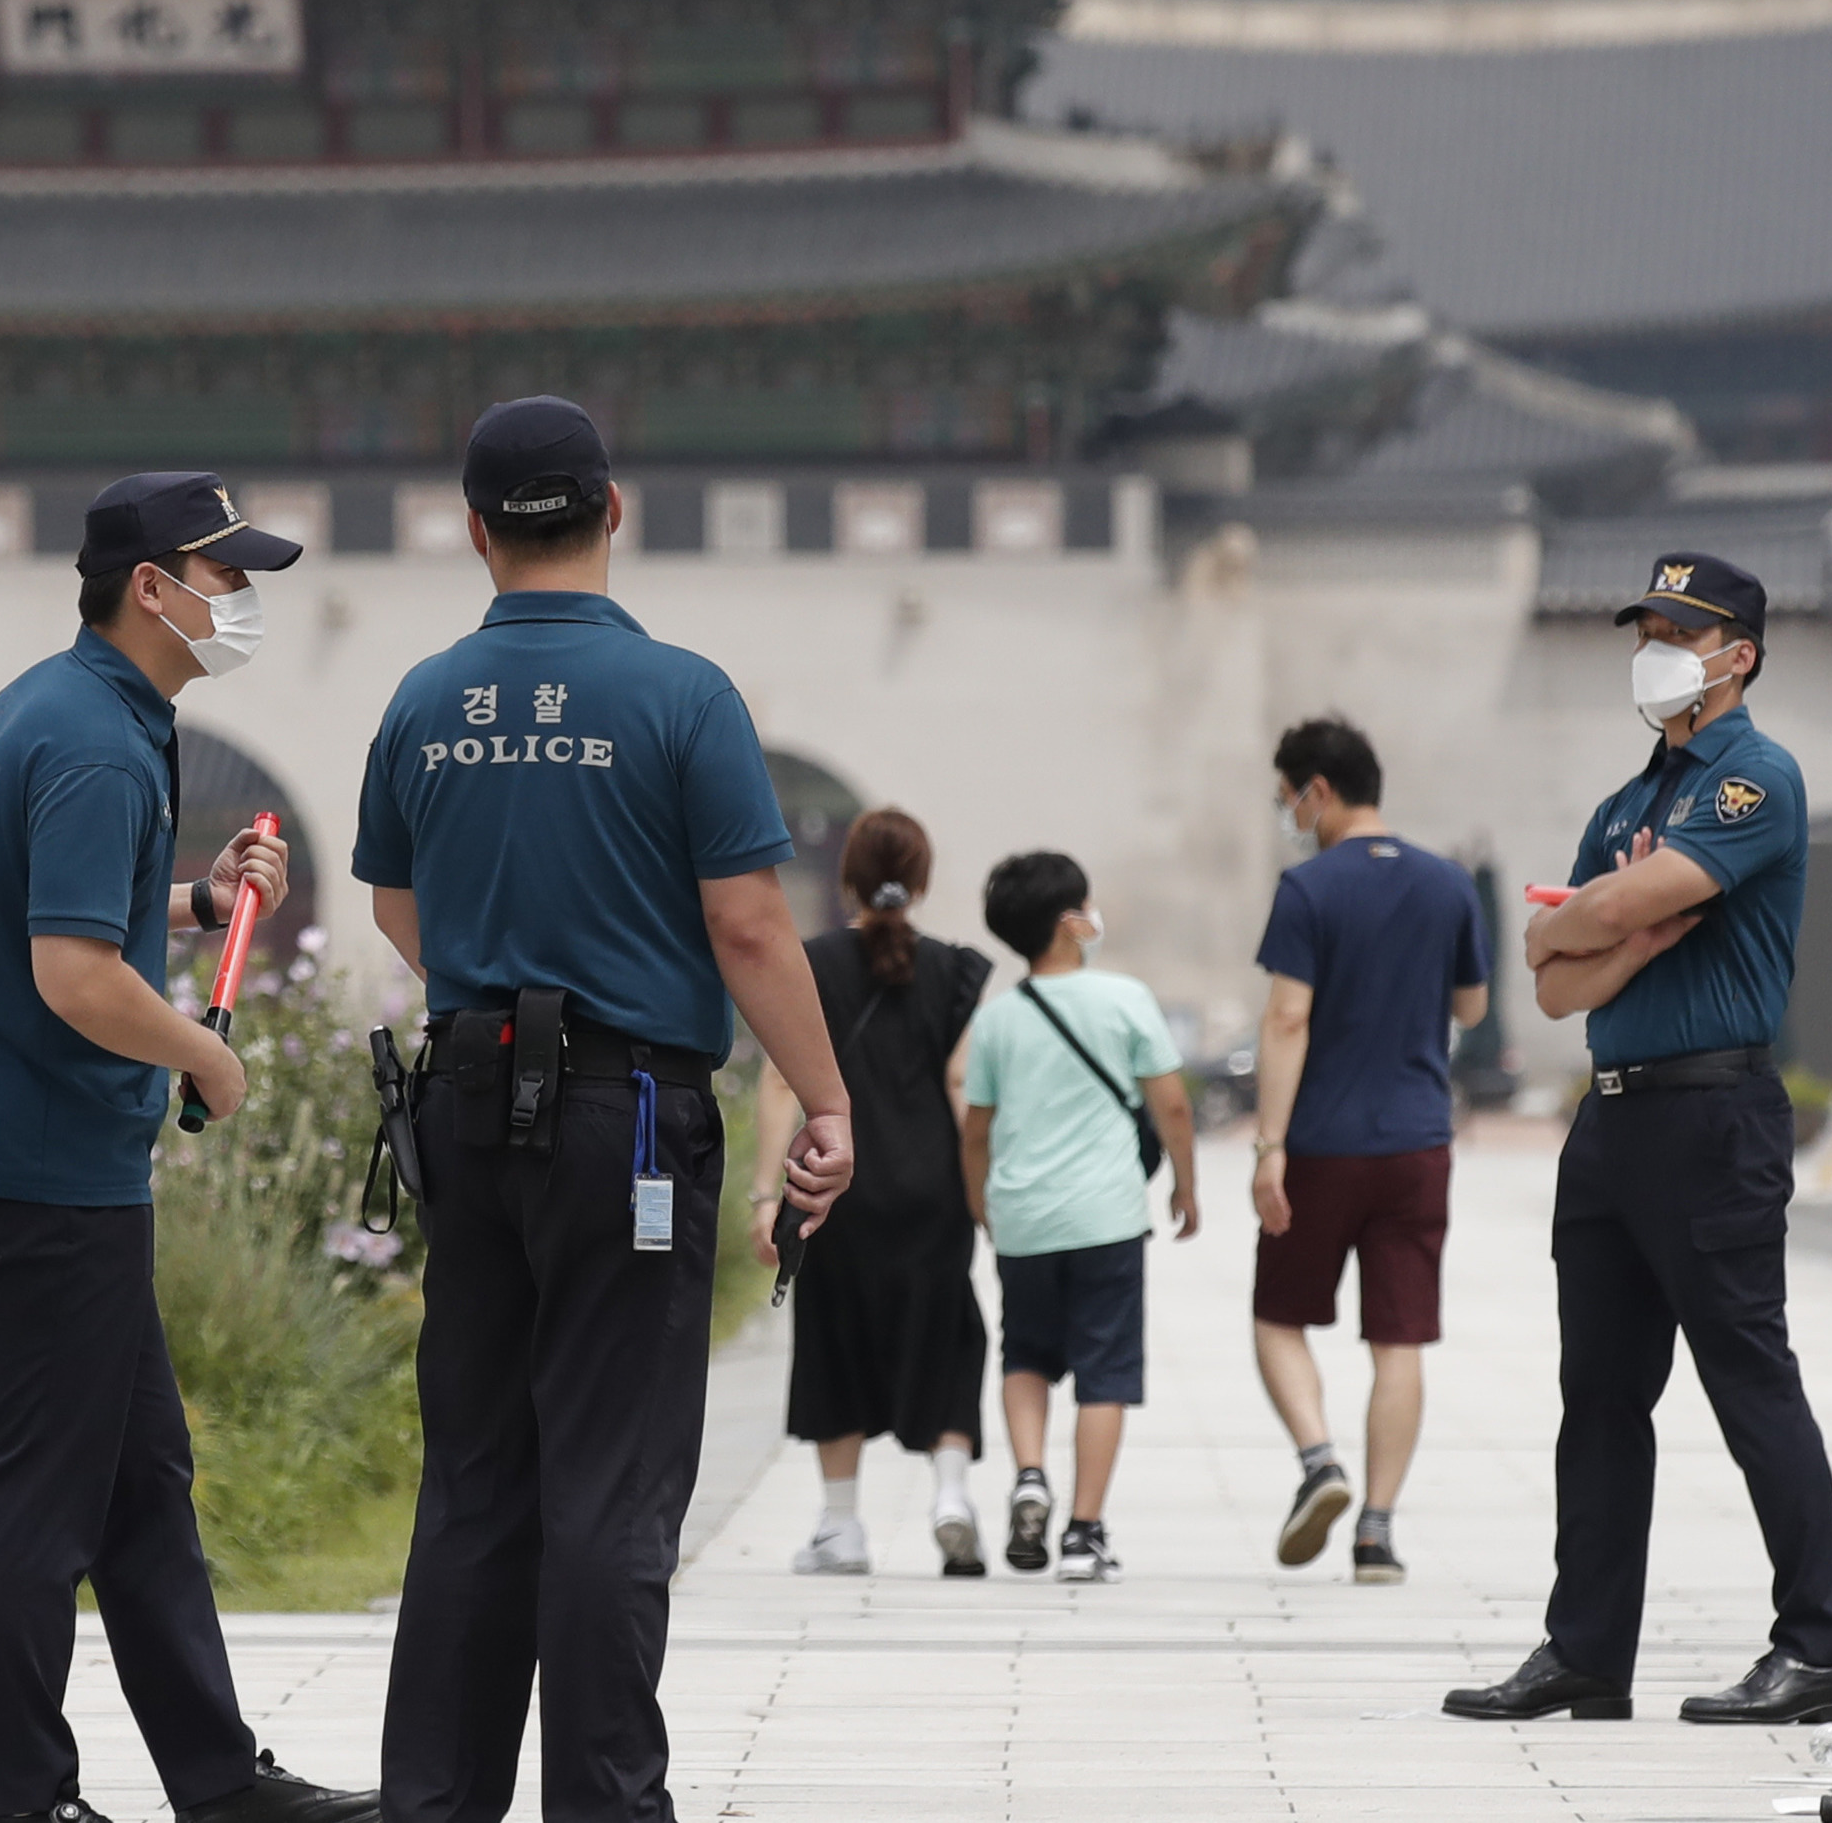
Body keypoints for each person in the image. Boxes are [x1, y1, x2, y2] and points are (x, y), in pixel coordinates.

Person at [353, 394, 854, 1823]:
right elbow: (749, 924)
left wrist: (491, 991)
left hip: (460, 1100)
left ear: (471, 529)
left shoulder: (421, 695)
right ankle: (604, 1800)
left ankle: (434, 1799)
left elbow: (397, 899)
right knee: (607, 1479)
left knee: (473, 1473)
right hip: (623, 1111)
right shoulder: (679, 696)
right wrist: (821, 1096)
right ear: (610, 509)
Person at [0, 470, 377, 1823]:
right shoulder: (101, 741)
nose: (244, 600)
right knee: (42, 1500)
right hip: (39, 1168)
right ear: (151, 586)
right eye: (228, 576)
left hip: (28, 1158)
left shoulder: (62, 705)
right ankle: (15, 1795)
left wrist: (194, 895)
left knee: (138, 1483)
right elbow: (69, 973)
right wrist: (206, 1053)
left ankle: (218, 1781)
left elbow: (59, 911)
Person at [1445, 551, 1832, 1728]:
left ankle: (1817, 1644)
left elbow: (1602, 909)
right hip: (1612, 1114)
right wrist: (1621, 933)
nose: (1654, 648)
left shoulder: (1753, 778)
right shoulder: (1623, 802)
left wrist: (1600, 918)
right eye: (1646, 627)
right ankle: (1584, 1648)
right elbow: (1551, 973)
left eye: (1680, 629)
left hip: (1711, 1112)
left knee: (1747, 1378)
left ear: (1740, 654)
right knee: (1599, 1394)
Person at [1249, 717, 1489, 1587]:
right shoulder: (1449, 885)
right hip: (1417, 1143)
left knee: (1278, 1316)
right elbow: (1470, 1008)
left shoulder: (1307, 888)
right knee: (1398, 1340)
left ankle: (1320, 1462)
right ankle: (1377, 1532)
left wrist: (1267, 1144)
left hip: (1319, 1143)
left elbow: (1285, 1017)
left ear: (1317, 788)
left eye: (1286, 796)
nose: (1286, 812)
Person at [758, 807, 994, 1577]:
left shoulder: (811, 963)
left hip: (837, 1189)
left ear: (845, 877)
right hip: (933, 1189)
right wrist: (979, 1192)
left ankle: (840, 1525)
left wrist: (768, 1196)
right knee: (948, 1329)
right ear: (920, 880)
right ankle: (952, 1494)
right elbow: (962, 1085)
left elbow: (775, 1082)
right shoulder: (959, 972)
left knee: (835, 1336)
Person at [957, 850, 1198, 1585]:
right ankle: (1083, 1533)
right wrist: (1186, 1187)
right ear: (1069, 923)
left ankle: (1029, 1475)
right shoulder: (1124, 998)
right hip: (1106, 1218)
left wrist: (981, 1205)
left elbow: (975, 1128)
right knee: (1104, 1371)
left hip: (1022, 1216)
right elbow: (1173, 1105)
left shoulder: (997, 1019)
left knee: (1023, 1354)